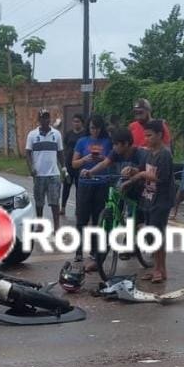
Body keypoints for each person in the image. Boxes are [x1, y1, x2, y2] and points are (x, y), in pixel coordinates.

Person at [126, 120, 175, 283]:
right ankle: (156, 268)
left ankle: (160, 269)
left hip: (161, 200)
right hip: (148, 197)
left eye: (149, 135)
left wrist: (139, 175)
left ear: (159, 135)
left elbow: (160, 177)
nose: (146, 139)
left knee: (157, 234)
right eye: (145, 136)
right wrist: (132, 171)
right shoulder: (148, 153)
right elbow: (141, 169)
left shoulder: (164, 154)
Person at [70, 115, 113, 270]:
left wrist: (102, 159)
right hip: (85, 184)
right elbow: (74, 164)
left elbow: (111, 161)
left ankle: (94, 250)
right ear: (88, 128)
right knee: (82, 218)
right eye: (92, 128)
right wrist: (85, 160)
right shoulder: (82, 141)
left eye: (97, 128)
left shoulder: (107, 142)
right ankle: (79, 250)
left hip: (101, 184)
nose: (95, 131)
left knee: (97, 218)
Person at [25, 109, 65, 228]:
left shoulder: (56, 134)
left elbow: (60, 153)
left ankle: (57, 227)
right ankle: (40, 225)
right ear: (39, 120)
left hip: (54, 174)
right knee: (39, 202)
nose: (46, 120)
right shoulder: (32, 135)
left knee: (54, 202)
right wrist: (31, 168)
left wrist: (64, 169)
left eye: (47, 117)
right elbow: (28, 153)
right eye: (43, 117)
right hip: (39, 175)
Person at [60, 113, 86, 217]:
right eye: (74, 121)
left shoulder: (84, 134)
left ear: (82, 123)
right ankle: (63, 207)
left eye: (78, 121)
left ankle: (78, 208)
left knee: (79, 188)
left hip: (80, 165)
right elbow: (65, 147)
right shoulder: (69, 134)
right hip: (69, 164)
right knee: (66, 186)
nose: (76, 123)